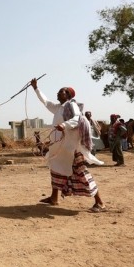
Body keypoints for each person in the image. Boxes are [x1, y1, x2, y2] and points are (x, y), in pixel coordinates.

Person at [30, 78, 106, 212]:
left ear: (68, 95)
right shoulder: (59, 108)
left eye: (61, 92)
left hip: (71, 148)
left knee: (81, 172)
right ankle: (54, 198)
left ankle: (100, 202)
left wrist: (64, 125)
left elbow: (77, 119)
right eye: (58, 92)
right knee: (55, 168)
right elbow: (46, 102)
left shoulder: (72, 106)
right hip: (60, 147)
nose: (58, 94)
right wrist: (36, 88)